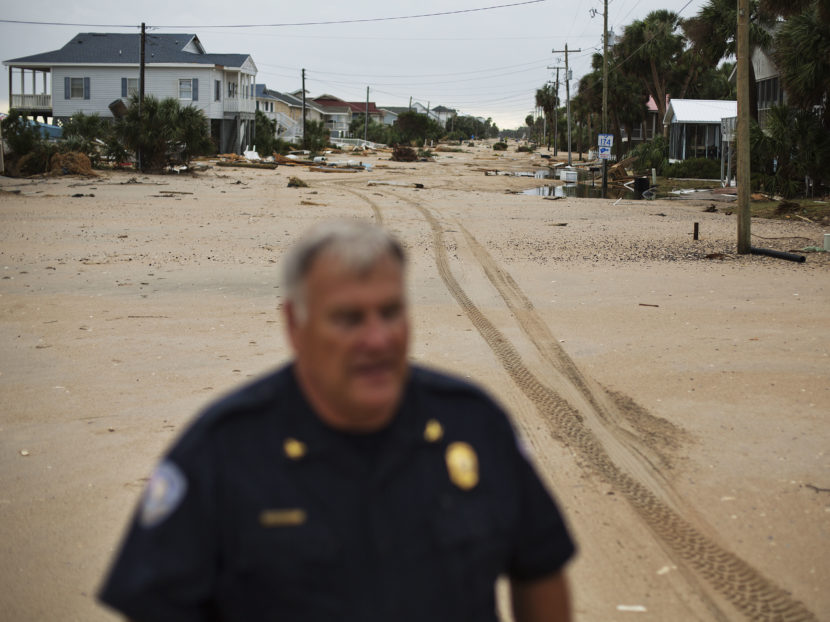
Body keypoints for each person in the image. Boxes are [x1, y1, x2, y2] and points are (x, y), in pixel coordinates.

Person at [99, 219, 576, 621]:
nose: (377, 339)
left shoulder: (474, 425)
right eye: (348, 319)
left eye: (391, 313)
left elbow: (539, 567)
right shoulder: (223, 452)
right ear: (294, 326)